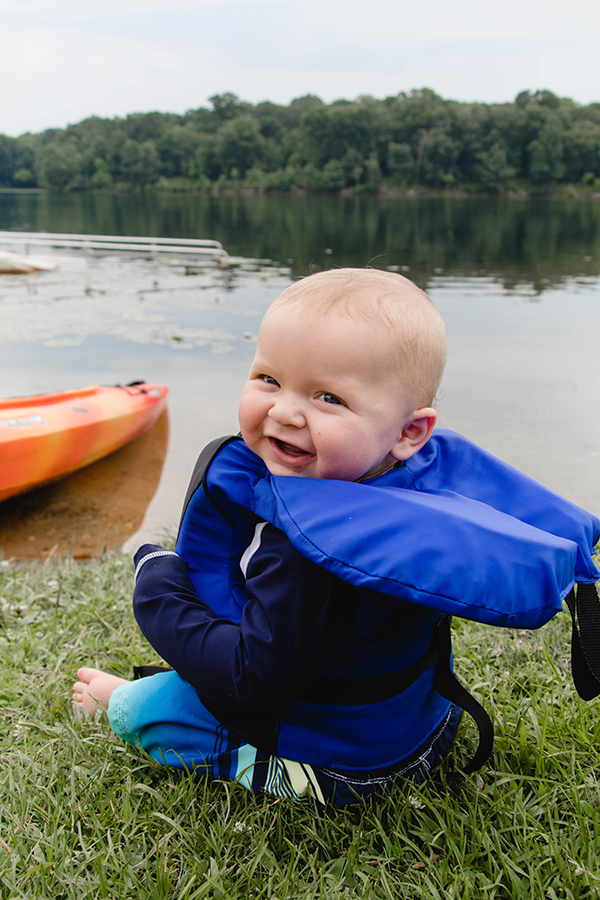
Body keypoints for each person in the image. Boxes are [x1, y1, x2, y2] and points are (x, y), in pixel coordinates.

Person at [73, 267, 598, 804]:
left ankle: (119, 705)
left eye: (328, 398)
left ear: (409, 432)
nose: (284, 411)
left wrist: (157, 583)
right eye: (269, 380)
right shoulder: (405, 499)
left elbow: (249, 682)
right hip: (425, 732)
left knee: (154, 704)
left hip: (346, 771)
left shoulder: (309, 545)